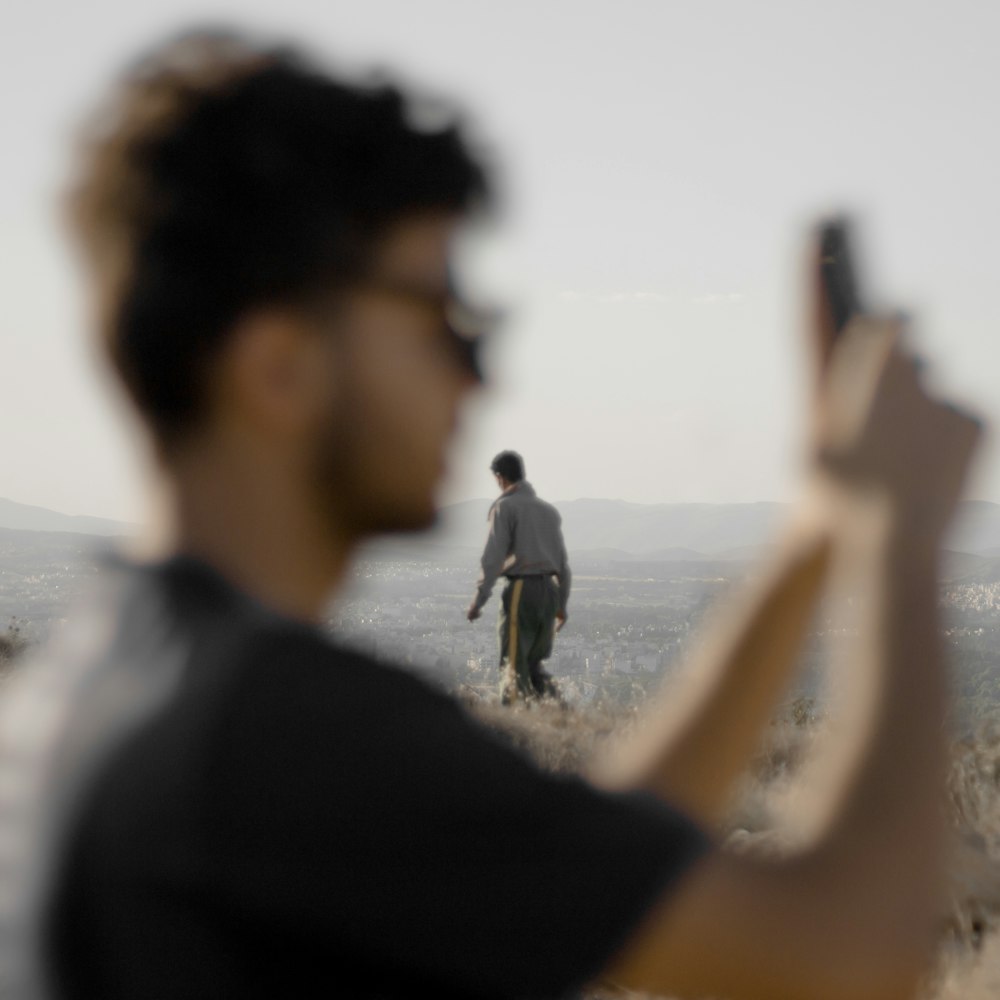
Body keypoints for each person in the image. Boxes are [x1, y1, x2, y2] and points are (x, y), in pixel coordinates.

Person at [0, 27, 983, 1000]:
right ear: (278, 365)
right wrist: (898, 540)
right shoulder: (284, 737)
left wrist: (816, 526)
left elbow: (587, 879)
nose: (477, 374)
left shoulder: (101, 680)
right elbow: (852, 955)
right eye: (441, 319)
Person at [466, 450, 570, 703]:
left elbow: (493, 558)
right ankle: (558, 712)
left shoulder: (505, 507)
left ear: (500, 478)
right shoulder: (548, 511)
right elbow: (563, 565)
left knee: (513, 663)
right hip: (549, 592)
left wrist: (479, 600)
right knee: (533, 665)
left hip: (522, 590)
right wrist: (561, 605)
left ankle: (512, 727)